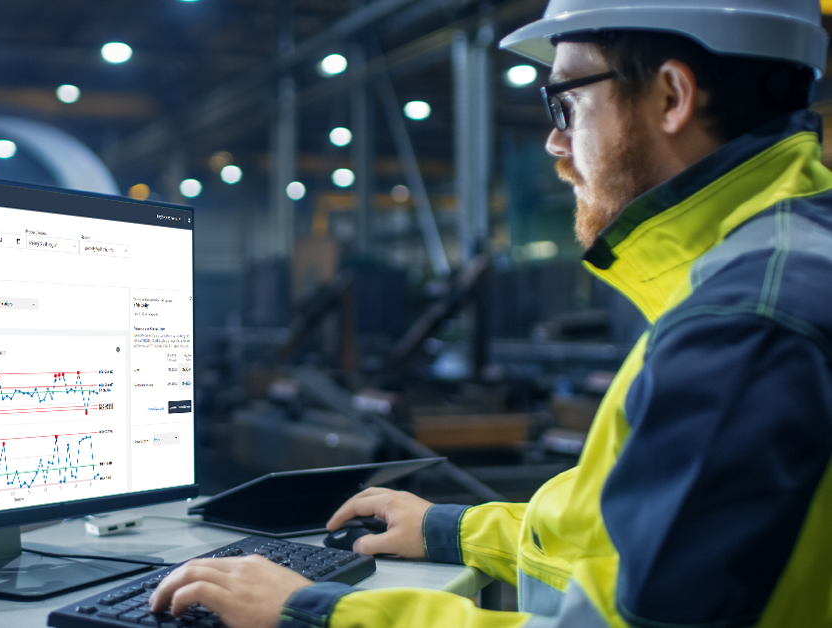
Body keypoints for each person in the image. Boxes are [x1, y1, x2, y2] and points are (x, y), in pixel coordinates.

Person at [149, 1, 832, 626]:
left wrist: (316, 612)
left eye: (566, 102)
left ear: (671, 97)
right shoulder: (775, 263)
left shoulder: (746, 324)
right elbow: (621, 534)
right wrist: (457, 530)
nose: (555, 143)